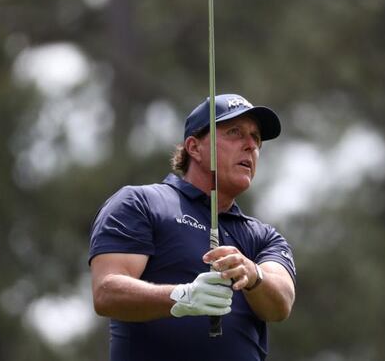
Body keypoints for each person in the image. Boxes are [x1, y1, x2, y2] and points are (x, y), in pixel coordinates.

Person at [89, 93, 297, 361]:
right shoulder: (141, 203)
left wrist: (253, 273)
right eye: (234, 132)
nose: (250, 146)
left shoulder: (263, 237)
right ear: (194, 147)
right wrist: (181, 296)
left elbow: (280, 304)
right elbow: (106, 292)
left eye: (256, 138)